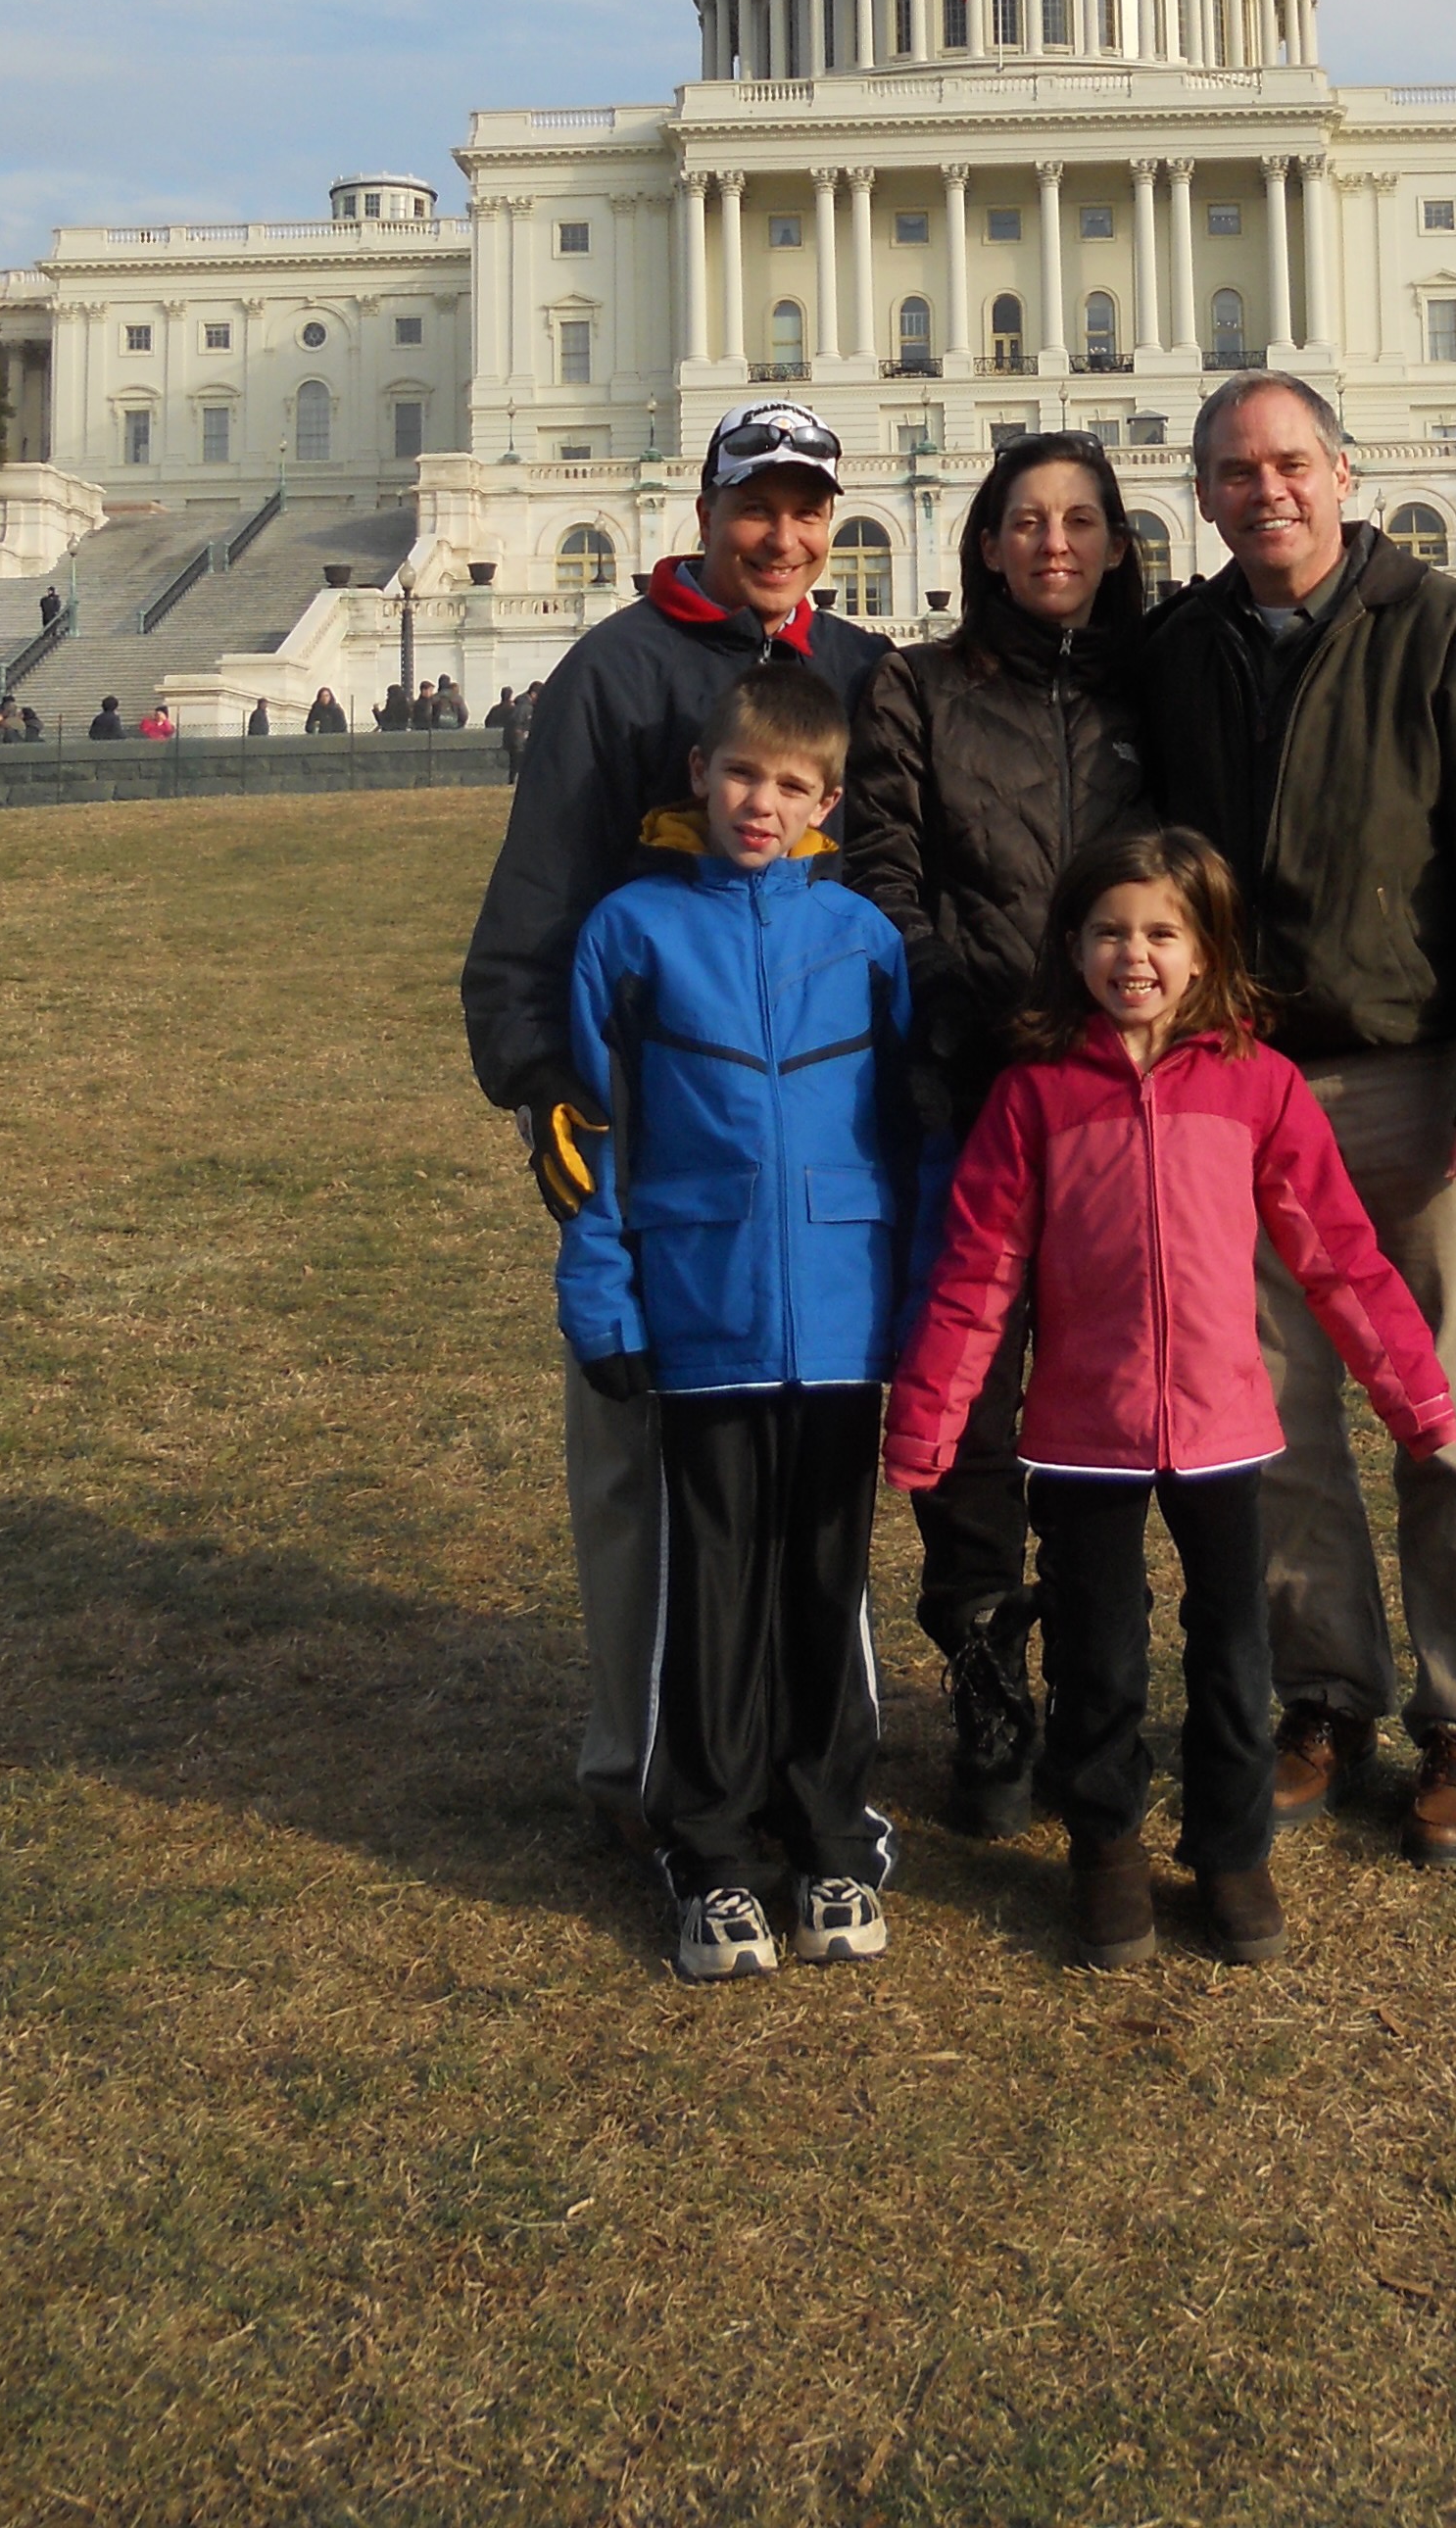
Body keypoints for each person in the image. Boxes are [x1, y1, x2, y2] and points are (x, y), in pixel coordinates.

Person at [1135, 371, 1456, 1867]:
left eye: (1290, 463)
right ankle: (1324, 1692)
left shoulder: (1446, 632)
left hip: (1412, 1076)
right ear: (1204, 496)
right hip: (1244, 1086)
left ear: (1343, 473)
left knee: (1442, 1408)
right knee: (1273, 1419)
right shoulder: (1182, 651)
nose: (1265, 490)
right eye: (1235, 471)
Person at [889, 827, 1455, 1970]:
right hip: (1082, 1434)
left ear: (1207, 952)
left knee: (1234, 1655)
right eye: (1109, 931)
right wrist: (929, 1415)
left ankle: (1231, 1851)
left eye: (1161, 932)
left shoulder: (1259, 1085)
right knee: (1098, 1657)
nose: (1134, 955)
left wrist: (1415, 1394)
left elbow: (1337, 1254)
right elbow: (978, 1270)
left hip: (1221, 1428)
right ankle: (1104, 1846)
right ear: (1073, 947)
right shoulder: (1034, 1094)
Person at [461, 399, 887, 1855]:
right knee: (645, 1477)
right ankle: (646, 1770)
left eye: (806, 509)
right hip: (656, 1146)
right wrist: (546, 1090)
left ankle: (788, 1760)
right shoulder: (619, 668)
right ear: (704, 513)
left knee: (801, 1487)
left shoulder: (860, 671)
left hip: (811, 1170)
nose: (782, 535)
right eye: (755, 506)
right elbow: (537, 904)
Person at [559, 657, 913, 1983]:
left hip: (841, 1315)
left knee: (828, 1583)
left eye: (794, 785)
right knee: (706, 1592)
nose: (764, 804)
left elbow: (909, 1135)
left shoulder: (865, 940)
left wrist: (917, 1297)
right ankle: (707, 1853)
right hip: (700, 1310)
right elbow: (590, 1137)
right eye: (745, 776)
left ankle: (830, 1835)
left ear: (828, 805)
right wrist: (602, 1296)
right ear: (700, 776)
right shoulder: (631, 931)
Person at [842, 432, 1154, 1833]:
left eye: (1081, 520)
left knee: (1103, 1379)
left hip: (1123, 1092)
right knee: (966, 1385)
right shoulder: (916, 687)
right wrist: (975, 1005)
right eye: (1026, 520)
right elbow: (884, 873)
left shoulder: (1152, 685)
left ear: (1117, 543)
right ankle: (982, 1655)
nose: (1054, 544)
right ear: (983, 542)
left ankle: (1091, 1659)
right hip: (968, 1085)